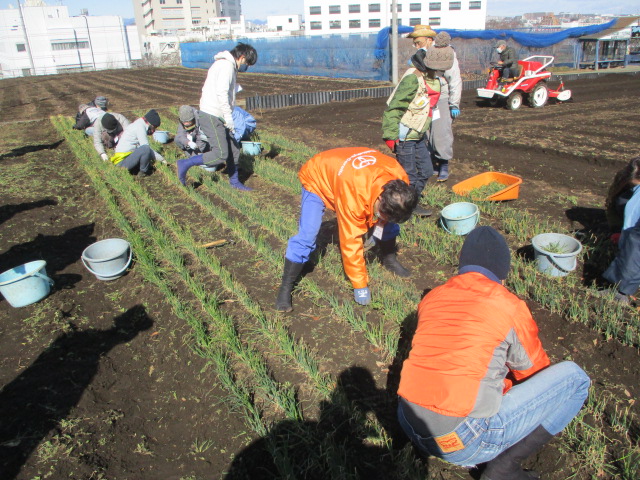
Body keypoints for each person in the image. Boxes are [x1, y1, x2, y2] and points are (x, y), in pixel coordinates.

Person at [397, 226, 590, 480]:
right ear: (502, 273)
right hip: (464, 441)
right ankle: (504, 468)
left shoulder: (432, 297)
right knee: (575, 379)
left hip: (409, 422)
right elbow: (534, 371)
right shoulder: (508, 305)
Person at [275, 147, 418, 312]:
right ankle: (286, 285)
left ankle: (389, 259)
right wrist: (360, 285)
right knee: (308, 234)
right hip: (318, 175)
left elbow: (390, 212)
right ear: (380, 197)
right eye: (383, 212)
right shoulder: (354, 196)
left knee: (389, 222)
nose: (382, 218)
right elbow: (351, 241)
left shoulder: (400, 181)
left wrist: (382, 221)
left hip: (349, 170)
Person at [382, 38, 454, 217]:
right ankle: (400, 209)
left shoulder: (433, 79)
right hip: (405, 136)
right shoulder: (413, 79)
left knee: (427, 171)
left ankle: (411, 203)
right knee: (409, 176)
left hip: (419, 134)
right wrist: (391, 137)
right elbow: (394, 108)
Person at [197, 42, 257, 191]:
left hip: (218, 114)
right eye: (247, 63)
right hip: (212, 114)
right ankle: (186, 164)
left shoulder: (226, 66)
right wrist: (228, 117)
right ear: (241, 57)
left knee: (234, 150)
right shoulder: (226, 66)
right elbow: (222, 93)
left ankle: (235, 182)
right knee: (221, 154)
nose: (246, 67)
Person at [176, 106, 257, 186]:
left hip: (216, 128)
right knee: (221, 154)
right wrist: (188, 142)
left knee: (231, 149)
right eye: (185, 123)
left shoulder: (232, 112)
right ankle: (187, 162)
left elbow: (201, 139)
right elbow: (180, 135)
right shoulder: (187, 118)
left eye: (189, 123)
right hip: (212, 128)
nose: (187, 125)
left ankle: (234, 181)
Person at [600, 156, 640, 304]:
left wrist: (621, 287)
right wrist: (617, 229)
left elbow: (636, 245)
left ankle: (620, 293)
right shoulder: (625, 178)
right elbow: (611, 203)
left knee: (634, 242)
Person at [428, 31, 462, 182]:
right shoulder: (430, 52)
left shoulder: (450, 56)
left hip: (442, 96)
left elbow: (454, 80)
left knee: (441, 133)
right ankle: (431, 163)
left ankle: (443, 164)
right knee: (427, 133)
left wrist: (454, 103)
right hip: (428, 95)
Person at [109, 109, 164, 177]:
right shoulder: (140, 127)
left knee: (144, 151)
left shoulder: (138, 124)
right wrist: (162, 160)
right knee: (145, 148)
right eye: (154, 127)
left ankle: (138, 168)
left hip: (125, 158)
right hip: (122, 163)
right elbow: (146, 148)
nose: (154, 130)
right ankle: (143, 171)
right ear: (150, 124)